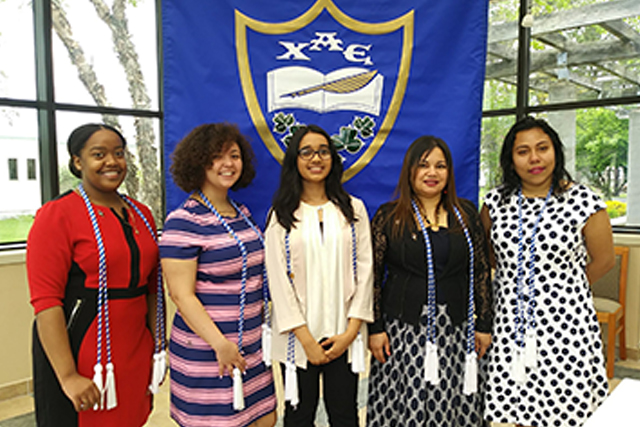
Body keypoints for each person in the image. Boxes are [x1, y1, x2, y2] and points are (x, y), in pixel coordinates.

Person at [27, 123, 165, 427]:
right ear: (78, 162)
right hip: (82, 345)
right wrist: (67, 376)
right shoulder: (58, 214)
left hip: (133, 344)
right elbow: (46, 301)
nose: (112, 162)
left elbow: (153, 287)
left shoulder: (141, 213)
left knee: (131, 418)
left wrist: (157, 347)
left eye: (118, 153)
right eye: (98, 154)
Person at [481, 116, 614, 427]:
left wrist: (561, 288)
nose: (534, 159)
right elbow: (490, 256)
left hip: (566, 326)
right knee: (512, 409)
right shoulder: (495, 202)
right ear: (511, 160)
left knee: (563, 410)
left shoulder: (583, 201)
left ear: (556, 151)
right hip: (510, 324)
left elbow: (603, 261)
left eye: (542, 148)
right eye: (523, 151)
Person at [367, 135, 493, 427]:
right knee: (408, 399)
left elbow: (481, 271)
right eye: (423, 165)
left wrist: (484, 324)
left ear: (449, 172)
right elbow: (372, 276)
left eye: (440, 166)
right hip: (403, 328)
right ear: (409, 171)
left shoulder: (466, 214)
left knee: (452, 398)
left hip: (458, 328)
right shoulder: (388, 217)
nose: (432, 173)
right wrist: (375, 329)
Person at [159, 123, 276, 427]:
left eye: (234, 156)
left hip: (250, 345)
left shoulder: (244, 214)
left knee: (265, 419)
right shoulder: (183, 221)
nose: (228, 164)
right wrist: (220, 344)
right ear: (198, 161)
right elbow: (180, 295)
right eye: (217, 156)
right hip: (208, 351)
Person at [264, 124, 373, 427]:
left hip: (343, 334)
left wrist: (351, 332)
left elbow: (366, 272)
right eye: (307, 152)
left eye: (324, 151)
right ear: (294, 161)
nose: (316, 158)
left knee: (345, 416)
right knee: (299, 417)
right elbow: (278, 279)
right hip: (299, 338)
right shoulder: (281, 214)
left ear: (333, 159)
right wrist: (306, 340)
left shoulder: (354, 210)